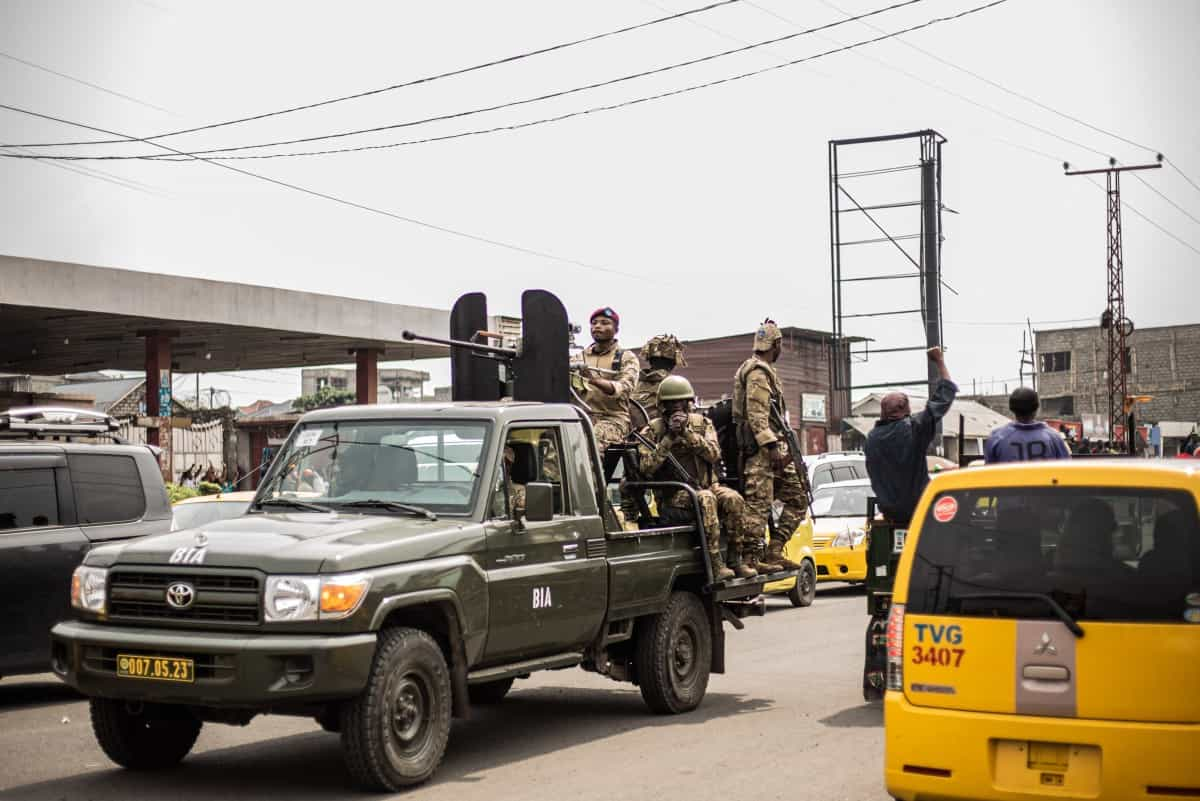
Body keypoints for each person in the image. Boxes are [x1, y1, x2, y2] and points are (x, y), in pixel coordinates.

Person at [637, 376, 754, 581]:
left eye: (681, 402)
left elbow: (714, 454)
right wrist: (669, 439)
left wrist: (688, 435)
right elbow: (646, 467)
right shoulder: (653, 430)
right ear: (662, 405)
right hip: (674, 495)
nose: (676, 408)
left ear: (688, 403)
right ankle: (715, 564)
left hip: (708, 484)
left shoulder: (702, 424)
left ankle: (736, 560)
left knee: (734, 499)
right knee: (706, 499)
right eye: (671, 403)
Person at [732, 319, 806, 573]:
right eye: (780, 345)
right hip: (760, 453)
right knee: (758, 506)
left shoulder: (764, 371)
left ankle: (774, 550)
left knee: (798, 497)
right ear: (776, 345)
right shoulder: (757, 373)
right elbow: (756, 417)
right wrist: (773, 448)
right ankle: (750, 558)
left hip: (774, 449)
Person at [864, 347, 958, 527]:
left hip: (890, 514)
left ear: (883, 412)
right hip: (919, 510)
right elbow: (943, 397)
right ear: (906, 410)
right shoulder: (915, 428)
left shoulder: (872, 439)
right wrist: (939, 361)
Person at [578, 307, 641, 451]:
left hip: (613, 419)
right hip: (582, 417)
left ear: (616, 329)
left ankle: (591, 474)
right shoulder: (579, 357)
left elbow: (624, 388)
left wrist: (593, 380)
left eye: (604, 323)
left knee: (592, 442)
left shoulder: (626, 358)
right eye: (594, 323)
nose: (597, 326)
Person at [984, 387, 1071, 463]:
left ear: (1011, 409)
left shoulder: (996, 437)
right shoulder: (1054, 437)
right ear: (1037, 408)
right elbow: (1067, 471)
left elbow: (988, 475)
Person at [634, 334, 687, 423]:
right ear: (674, 363)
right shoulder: (675, 385)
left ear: (650, 360)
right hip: (657, 434)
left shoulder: (632, 382)